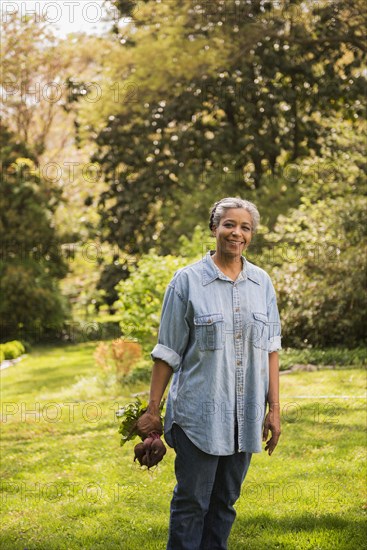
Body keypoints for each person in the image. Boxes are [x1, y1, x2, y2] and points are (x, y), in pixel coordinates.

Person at [137, 197, 281, 550]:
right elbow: (166, 353)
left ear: (252, 235)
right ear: (214, 228)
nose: (237, 233)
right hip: (197, 418)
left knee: (224, 505)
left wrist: (274, 409)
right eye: (229, 224)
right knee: (191, 505)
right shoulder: (186, 282)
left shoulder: (262, 283)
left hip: (244, 418)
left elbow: (271, 349)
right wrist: (153, 410)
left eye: (245, 227)